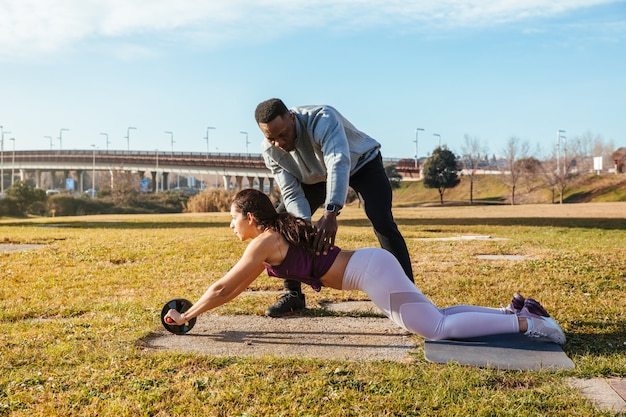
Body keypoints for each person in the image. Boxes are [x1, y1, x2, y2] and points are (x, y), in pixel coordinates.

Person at [165, 189, 566, 345]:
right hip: (373, 264)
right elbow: (232, 289)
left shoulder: (266, 240)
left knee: (437, 330)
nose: (231, 225)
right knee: (437, 317)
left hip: (371, 271)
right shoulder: (272, 235)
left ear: (251, 217)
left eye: (233, 218)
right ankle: (512, 312)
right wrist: (193, 314)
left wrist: (187, 315)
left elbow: (224, 288)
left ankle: (529, 325)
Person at [255, 98, 414, 317]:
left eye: (283, 134)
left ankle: (408, 296)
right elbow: (291, 192)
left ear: (292, 118)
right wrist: (301, 225)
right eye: (271, 138)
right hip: (315, 177)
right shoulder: (270, 151)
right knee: (283, 223)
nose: (279, 143)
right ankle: (293, 296)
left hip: (361, 163)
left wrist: (331, 211)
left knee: (382, 221)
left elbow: (338, 162)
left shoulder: (322, 119)